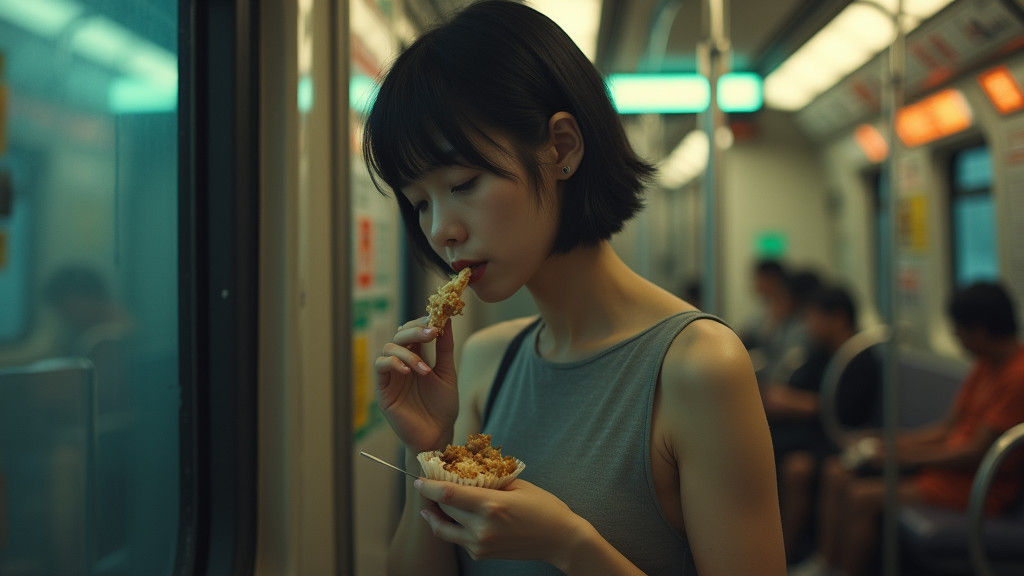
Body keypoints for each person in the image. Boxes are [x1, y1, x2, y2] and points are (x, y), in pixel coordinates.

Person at [367, 2, 785, 575]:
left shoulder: (698, 366)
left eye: (463, 183)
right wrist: (429, 449)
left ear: (561, 148)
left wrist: (570, 544)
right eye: (419, 203)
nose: (440, 229)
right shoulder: (489, 360)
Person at [795, 281, 1024, 576]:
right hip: (949, 471)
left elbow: (975, 451)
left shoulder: (1016, 378)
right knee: (837, 472)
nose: (955, 337)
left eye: (959, 330)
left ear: (979, 331)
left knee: (861, 497)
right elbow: (948, 428)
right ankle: (826, 563)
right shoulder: (985, 365)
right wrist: (894, 442)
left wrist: (906, 456)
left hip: (978, 486)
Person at [761, 285, 881, 562]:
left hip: (839, 437)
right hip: (816, 433)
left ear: (837, 318)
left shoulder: (858, 358)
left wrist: (795, 403)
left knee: (797, 469)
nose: (809, 326)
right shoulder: (821, 352)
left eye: (814, 318)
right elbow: (801, 387)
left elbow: (840, 411)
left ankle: (787, 553)